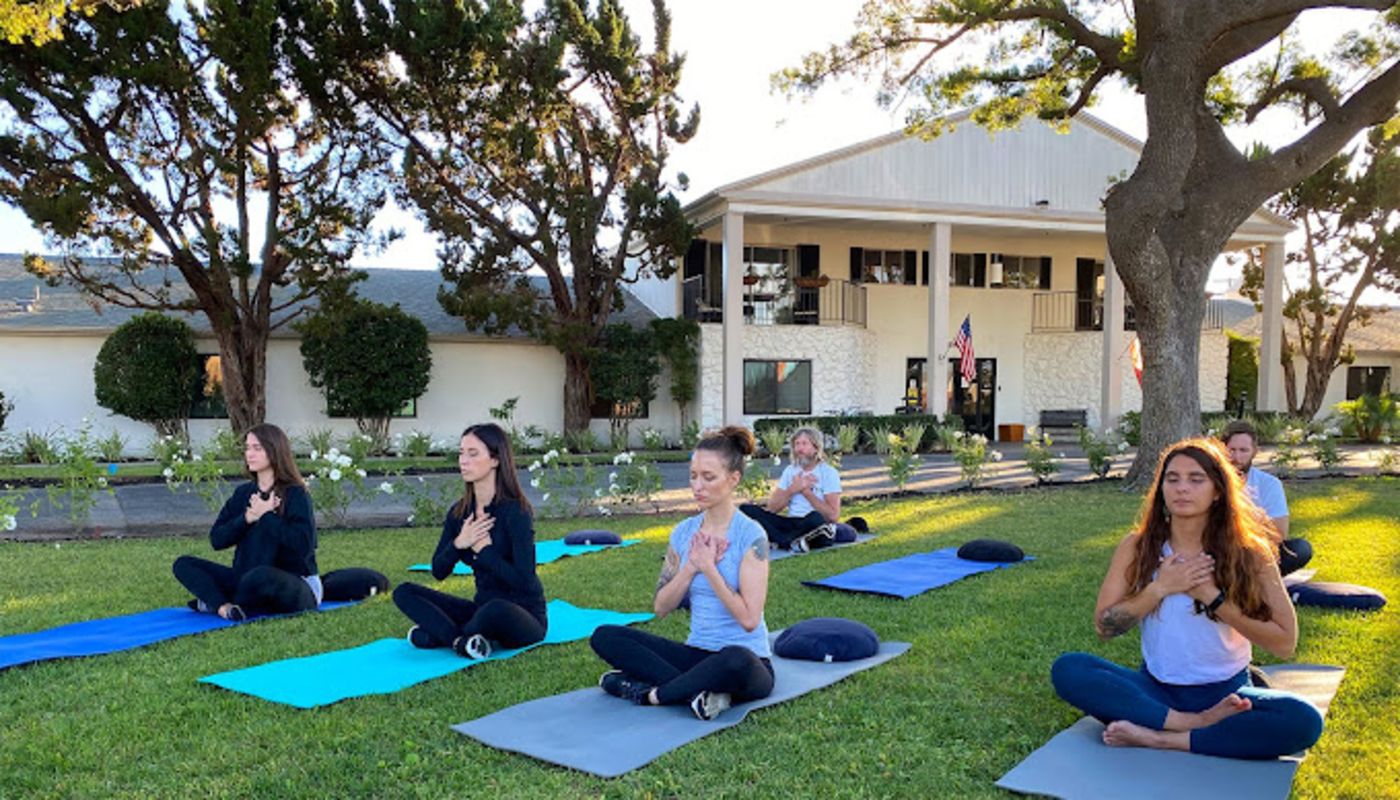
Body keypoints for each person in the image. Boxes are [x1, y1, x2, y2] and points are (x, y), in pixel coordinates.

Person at [1050, 438, 1324, 759]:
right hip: (1155, 690)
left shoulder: (1250, 554)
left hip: (1227, 694)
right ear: (1161, 489)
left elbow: (1285, 643)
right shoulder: (1137, 547)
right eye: (1172, 479)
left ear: (1218, 490)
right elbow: (1104, 626)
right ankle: (1191, 725)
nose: (1182, 488)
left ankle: (1162, 738)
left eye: (1196, 479)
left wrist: (1212, 597)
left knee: (1303, 721)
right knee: (1070, 669)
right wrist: (1160, 588)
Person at [590, 426, 774, 721]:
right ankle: (697, 693)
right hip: (695, 655)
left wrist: (710, 569)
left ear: (733, 479)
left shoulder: (751, 535)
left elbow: (749, 620)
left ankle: (652, 694)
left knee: (735, 659)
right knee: (605, 636)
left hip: (746, 662)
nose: (697, 486)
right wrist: (691, 567)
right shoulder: (683, 533)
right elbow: (661, 607)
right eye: (693, 476)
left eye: (708, 477)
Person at [392, 423, 546, 659]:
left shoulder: (516, 512)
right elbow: (438, 571)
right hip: (480, 609)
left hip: (523, 617)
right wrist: (459, 544)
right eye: (461, 453)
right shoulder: (459, 513)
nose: (463, 461)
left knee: (495, 609)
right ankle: (459, 641)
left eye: (473, 454)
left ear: (495, 460)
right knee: (404, 592)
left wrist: (484, 551)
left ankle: (438, 635)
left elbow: (525, 581)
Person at [173, 424, 321, 621]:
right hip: (246, 579)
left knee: (259, 576)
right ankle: (224, 607)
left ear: (275, 451)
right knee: (183, 564)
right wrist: (247, 518)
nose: (249, 454)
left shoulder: (296, 493)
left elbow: (304, 545)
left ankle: (216, 601)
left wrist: (266, 516)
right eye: (247, 448)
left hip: (293, 582)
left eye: (257, 448)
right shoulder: (243, 493)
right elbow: (217, 540)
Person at [1221, 420, 1312, 576]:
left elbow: (1279, 534)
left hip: (1257, 549)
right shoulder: (1210, 482)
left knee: (1300, 549)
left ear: (1255, 452)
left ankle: (1251, 578)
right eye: (1232, 450)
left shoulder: (1269, 483)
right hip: (1221, 549)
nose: (1237, 457)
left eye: (1243, 450)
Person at [739, 426, 841, 553]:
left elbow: (833, 516)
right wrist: (793, 489)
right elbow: (772, 508)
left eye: (804, 444)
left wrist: (806, 492)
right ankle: (790, 541)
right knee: (746, 509)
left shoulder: (829, 473)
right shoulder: (790, 471)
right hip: (791, 523)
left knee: (816, 519)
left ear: (816, 448)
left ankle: (781, 541)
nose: (799, 449)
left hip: (813, 525)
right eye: (797, 444)